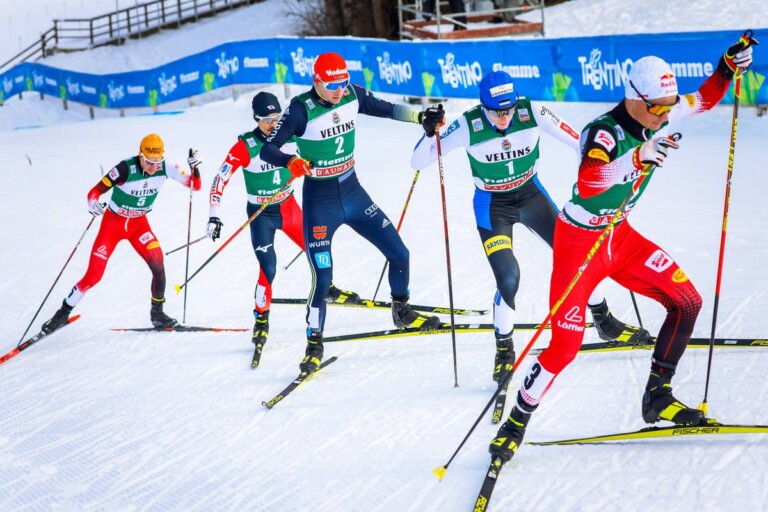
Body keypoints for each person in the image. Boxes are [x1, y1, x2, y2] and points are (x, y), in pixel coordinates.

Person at [489, 35, 757, 463]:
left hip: (619, 237)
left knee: (687, 302)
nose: (666, 114)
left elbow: (703, 100)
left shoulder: (660, 111)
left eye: (668, 107)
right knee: (564, 346)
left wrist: (726, 67)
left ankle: (657, 396)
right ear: (634, 98)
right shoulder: (604, 132)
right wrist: (638, 158)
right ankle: (515, 422)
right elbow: (591, 179)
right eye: (657, 107)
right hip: (579, 243)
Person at [411, 70, 650, 384]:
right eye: (497, 111)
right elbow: (419, 162)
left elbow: (579, 141)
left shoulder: (532, 111)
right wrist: (429, 134)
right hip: (493, 206)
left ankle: (603, 318)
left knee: (581, 256)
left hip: (531, 196)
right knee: (509, 278)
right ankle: (504, 350)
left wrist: (612, 164)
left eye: (508, 109)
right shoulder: (469, 125)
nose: (504, 117)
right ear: (483, 106)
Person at [260, 51, 442, 376]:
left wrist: (420, 117)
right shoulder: (301, 109)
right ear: (316, 80)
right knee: (323, 278)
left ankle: (401, 310)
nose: (338, 90)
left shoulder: (352, 94)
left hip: (354, 192)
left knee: (400, 253)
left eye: (342, 82)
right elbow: (268, 148)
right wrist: (290, 162)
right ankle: (313, 345)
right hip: (320, 201)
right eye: (331, 84)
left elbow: (387, 109)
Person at [207, 91, 361, 368]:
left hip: (288, 207)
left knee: (317, 246)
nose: (271, 124)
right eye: (265, 119)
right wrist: (214, 215)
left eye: (276, 117)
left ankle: (327, 287)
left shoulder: (291, 136)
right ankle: (261, 320)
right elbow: (220, 179)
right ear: (256, 119)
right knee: (269, 268)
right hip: (261, 213)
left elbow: (320, 151)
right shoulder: (245, 146)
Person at [41, 134, 202, 334]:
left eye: (157, 162)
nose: (153, 167)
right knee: (93, 276)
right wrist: (93, 204)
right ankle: (62, 313)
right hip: (113, 225)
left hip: (139, 226)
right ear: (140, 155)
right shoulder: (125, 169)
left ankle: (157, 314)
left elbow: (195, 185)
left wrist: (195, 167)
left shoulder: (166, 166)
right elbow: (94, 192)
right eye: (150, 162)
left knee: (158, 265)